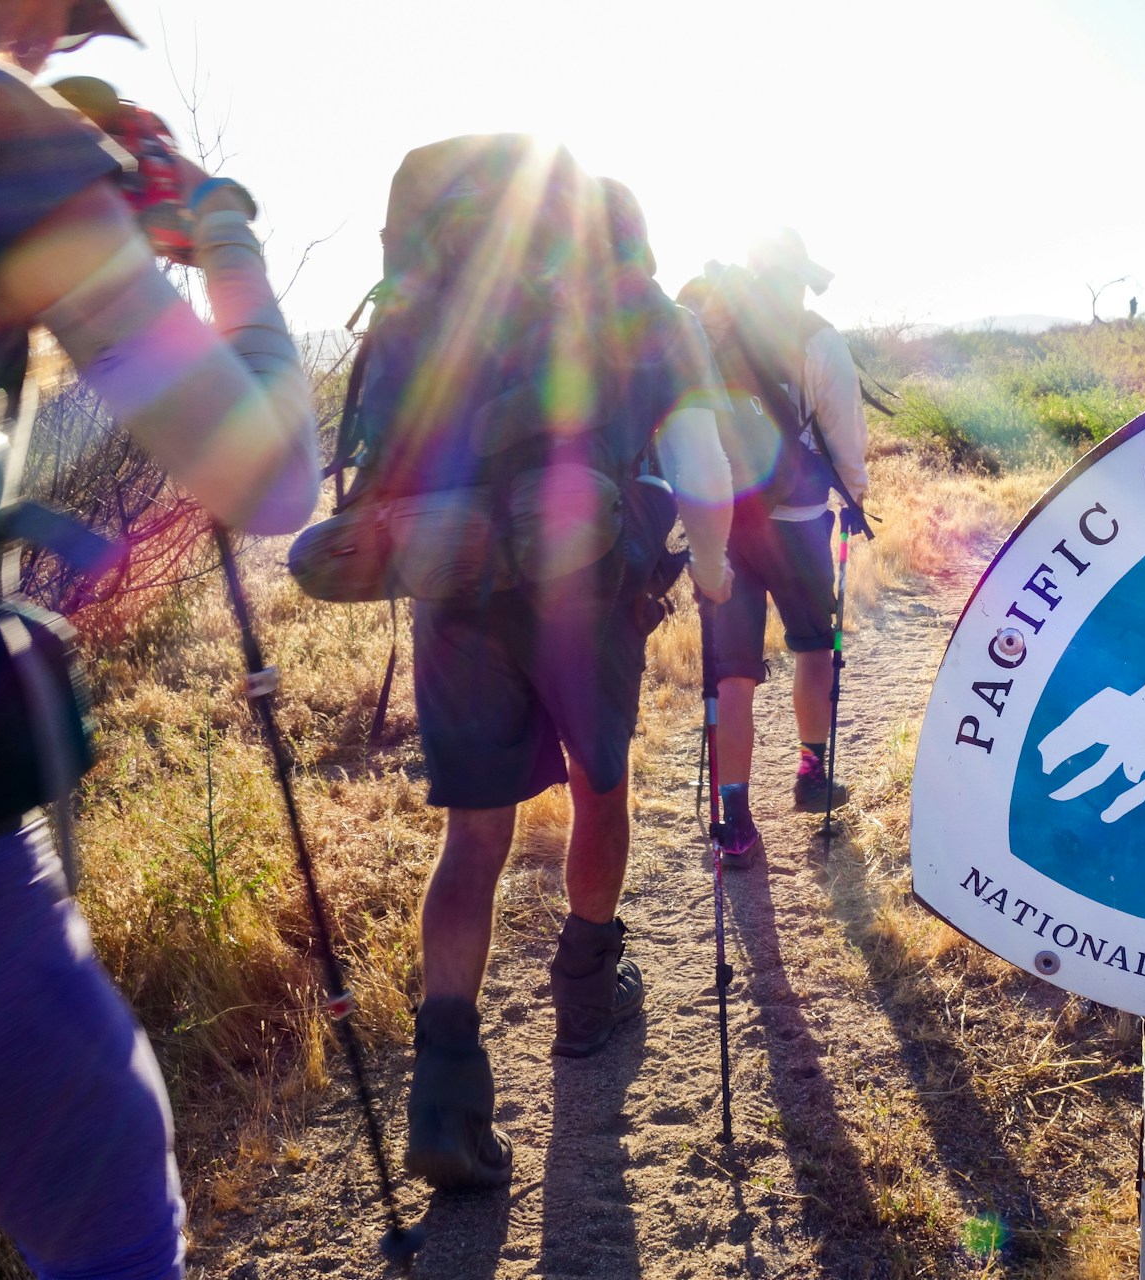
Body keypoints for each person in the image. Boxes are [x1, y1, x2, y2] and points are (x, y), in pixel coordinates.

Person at [0, 1, 319, 1277]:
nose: (57, 42)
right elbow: (261, 478)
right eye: (56, 12)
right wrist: (223, 242)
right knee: (104, 1177)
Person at [404, 172, 734, 1190]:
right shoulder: (654, 319)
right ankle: (588, 991)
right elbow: (704, 468)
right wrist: (714, 573)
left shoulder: (468, 318)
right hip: (587, 588)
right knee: (600, 788)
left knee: (474, 833)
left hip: (456, 583)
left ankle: (445, 1090)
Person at [701, 229, 870, 865]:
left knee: (733, 673)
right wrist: (851, 500)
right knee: (814, 646)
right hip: (798, 524)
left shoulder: (713, 337)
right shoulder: (816, 338)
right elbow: (842, 432)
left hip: (725, 522)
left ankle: (736, 816)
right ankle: (810, 772)